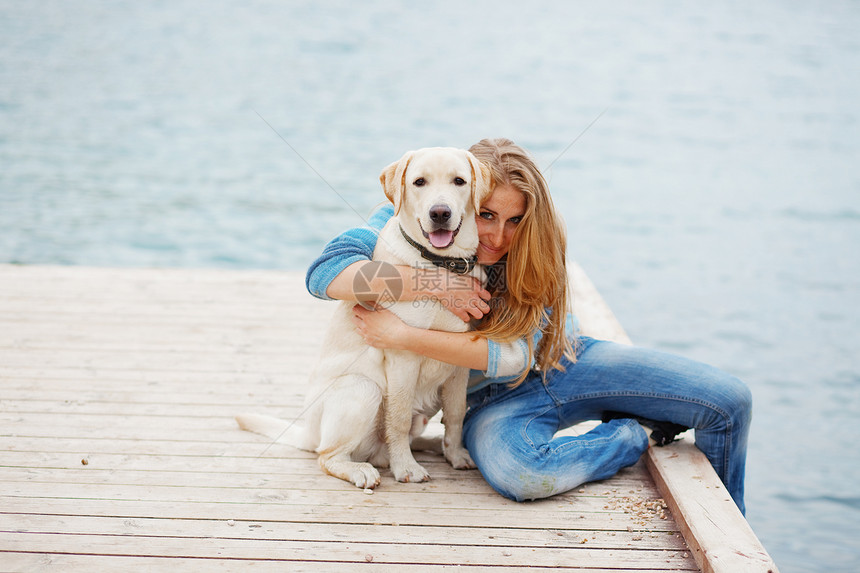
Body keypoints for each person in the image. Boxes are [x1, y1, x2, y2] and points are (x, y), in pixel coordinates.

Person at [305, 138, 752, 514]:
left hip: (566, 359)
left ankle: (732, 549)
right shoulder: (410, 222)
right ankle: (635, 432)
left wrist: (404, 336)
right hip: (491, 400)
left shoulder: (533, 247)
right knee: (523, 474)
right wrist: (436, 281)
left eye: (515, 220)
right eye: (487, 216)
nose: (499, 237)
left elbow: (517, 354)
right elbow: (324, 276)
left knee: (729, 401)